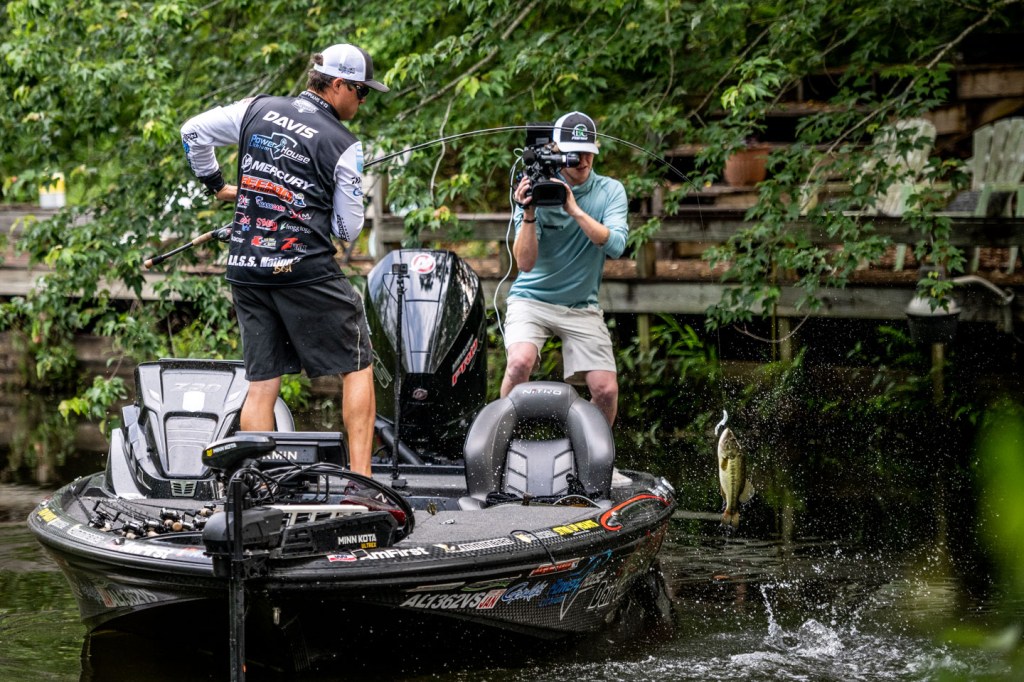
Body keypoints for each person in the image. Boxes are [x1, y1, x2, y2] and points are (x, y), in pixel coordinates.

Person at [180, 43, 388, 476]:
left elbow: (192, 132)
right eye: (362, 91)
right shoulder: (344, 144)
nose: (364, 101)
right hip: (303, 268)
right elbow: (347, 230)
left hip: (246, 267)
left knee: (262, 383)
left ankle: (256, 485)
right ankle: (363, 482)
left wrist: (217, 185)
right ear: (338, 85)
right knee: (358, 364)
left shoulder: (256, 108)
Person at [501, 111, 628, 427]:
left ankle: (592, 451)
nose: (582, 161)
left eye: (588, 153)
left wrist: (574, 209)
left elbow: (616, 247)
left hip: (581, 305)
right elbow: (525, 264)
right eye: (574, 154)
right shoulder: (535, 188)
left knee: (606, 389)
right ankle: (500, 442)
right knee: (519, 363)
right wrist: (528, 212)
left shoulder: (610, 190)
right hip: (531, 299)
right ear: (558, 152)